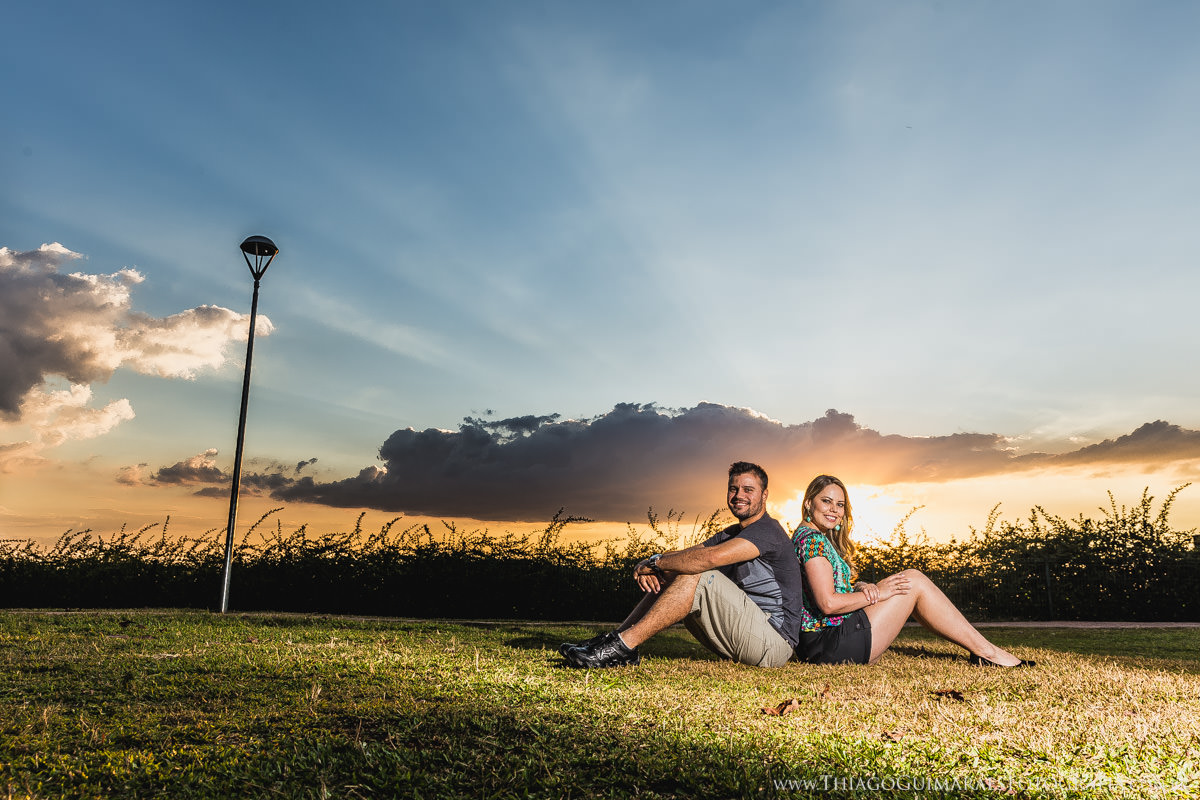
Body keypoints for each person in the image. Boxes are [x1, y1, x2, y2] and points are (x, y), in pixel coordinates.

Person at [560, 461, 805, 669]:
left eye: (748, 489)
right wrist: (654, 565)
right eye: (733, 488)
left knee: (696, 573)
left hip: (774, 643)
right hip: (749, 634)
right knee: (681, 569)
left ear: (764, 495)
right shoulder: (732, 533)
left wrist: (655, 562)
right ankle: (614, 641)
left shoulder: (767, 531)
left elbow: (708, 559)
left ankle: (622, 647)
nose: (739, 495)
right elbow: (689, 555)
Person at [792, 474, 1034, 667]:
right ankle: (986, 652)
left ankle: (983, 650)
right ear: (808, 503)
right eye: (826, 501)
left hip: (825, 642)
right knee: (913, 581)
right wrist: (879, 593)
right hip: (828, 645)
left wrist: (861, 586)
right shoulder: (812, 540)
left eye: (840, 504)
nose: (834, 509)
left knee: (910, 581)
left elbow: (825, 589)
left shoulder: (812, 537)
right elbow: (828, 604)